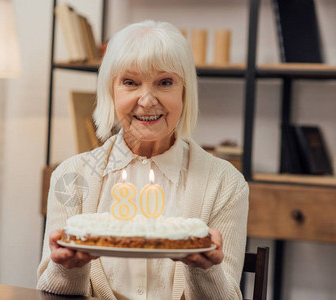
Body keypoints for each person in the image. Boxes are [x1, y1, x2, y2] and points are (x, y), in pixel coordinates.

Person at [37, 20, 248, 300]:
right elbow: (52, 291)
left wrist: (204, 270)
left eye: (165, 82)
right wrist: (68, 267)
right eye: (130, 82)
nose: (147, 100)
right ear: (110, 92)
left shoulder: (224, 183)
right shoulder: (72, 176)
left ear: (185, 92)